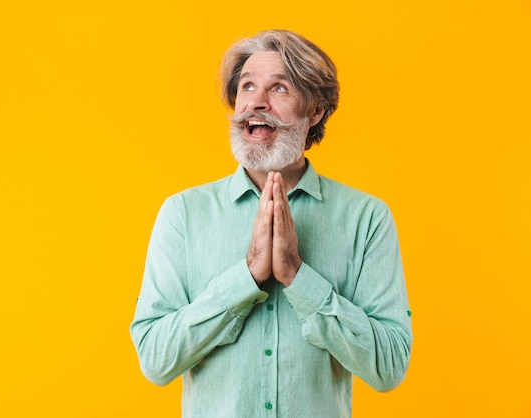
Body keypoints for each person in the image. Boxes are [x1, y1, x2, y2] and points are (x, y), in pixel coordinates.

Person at [130, 29, 412, 417]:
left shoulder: (366, 218)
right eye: (247, 87)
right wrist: (245, 278)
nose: (256, 103)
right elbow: (155, 360)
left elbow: (390, 367)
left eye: (279, 89)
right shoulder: (183, 214)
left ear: (315, 112)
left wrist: (298, 277)